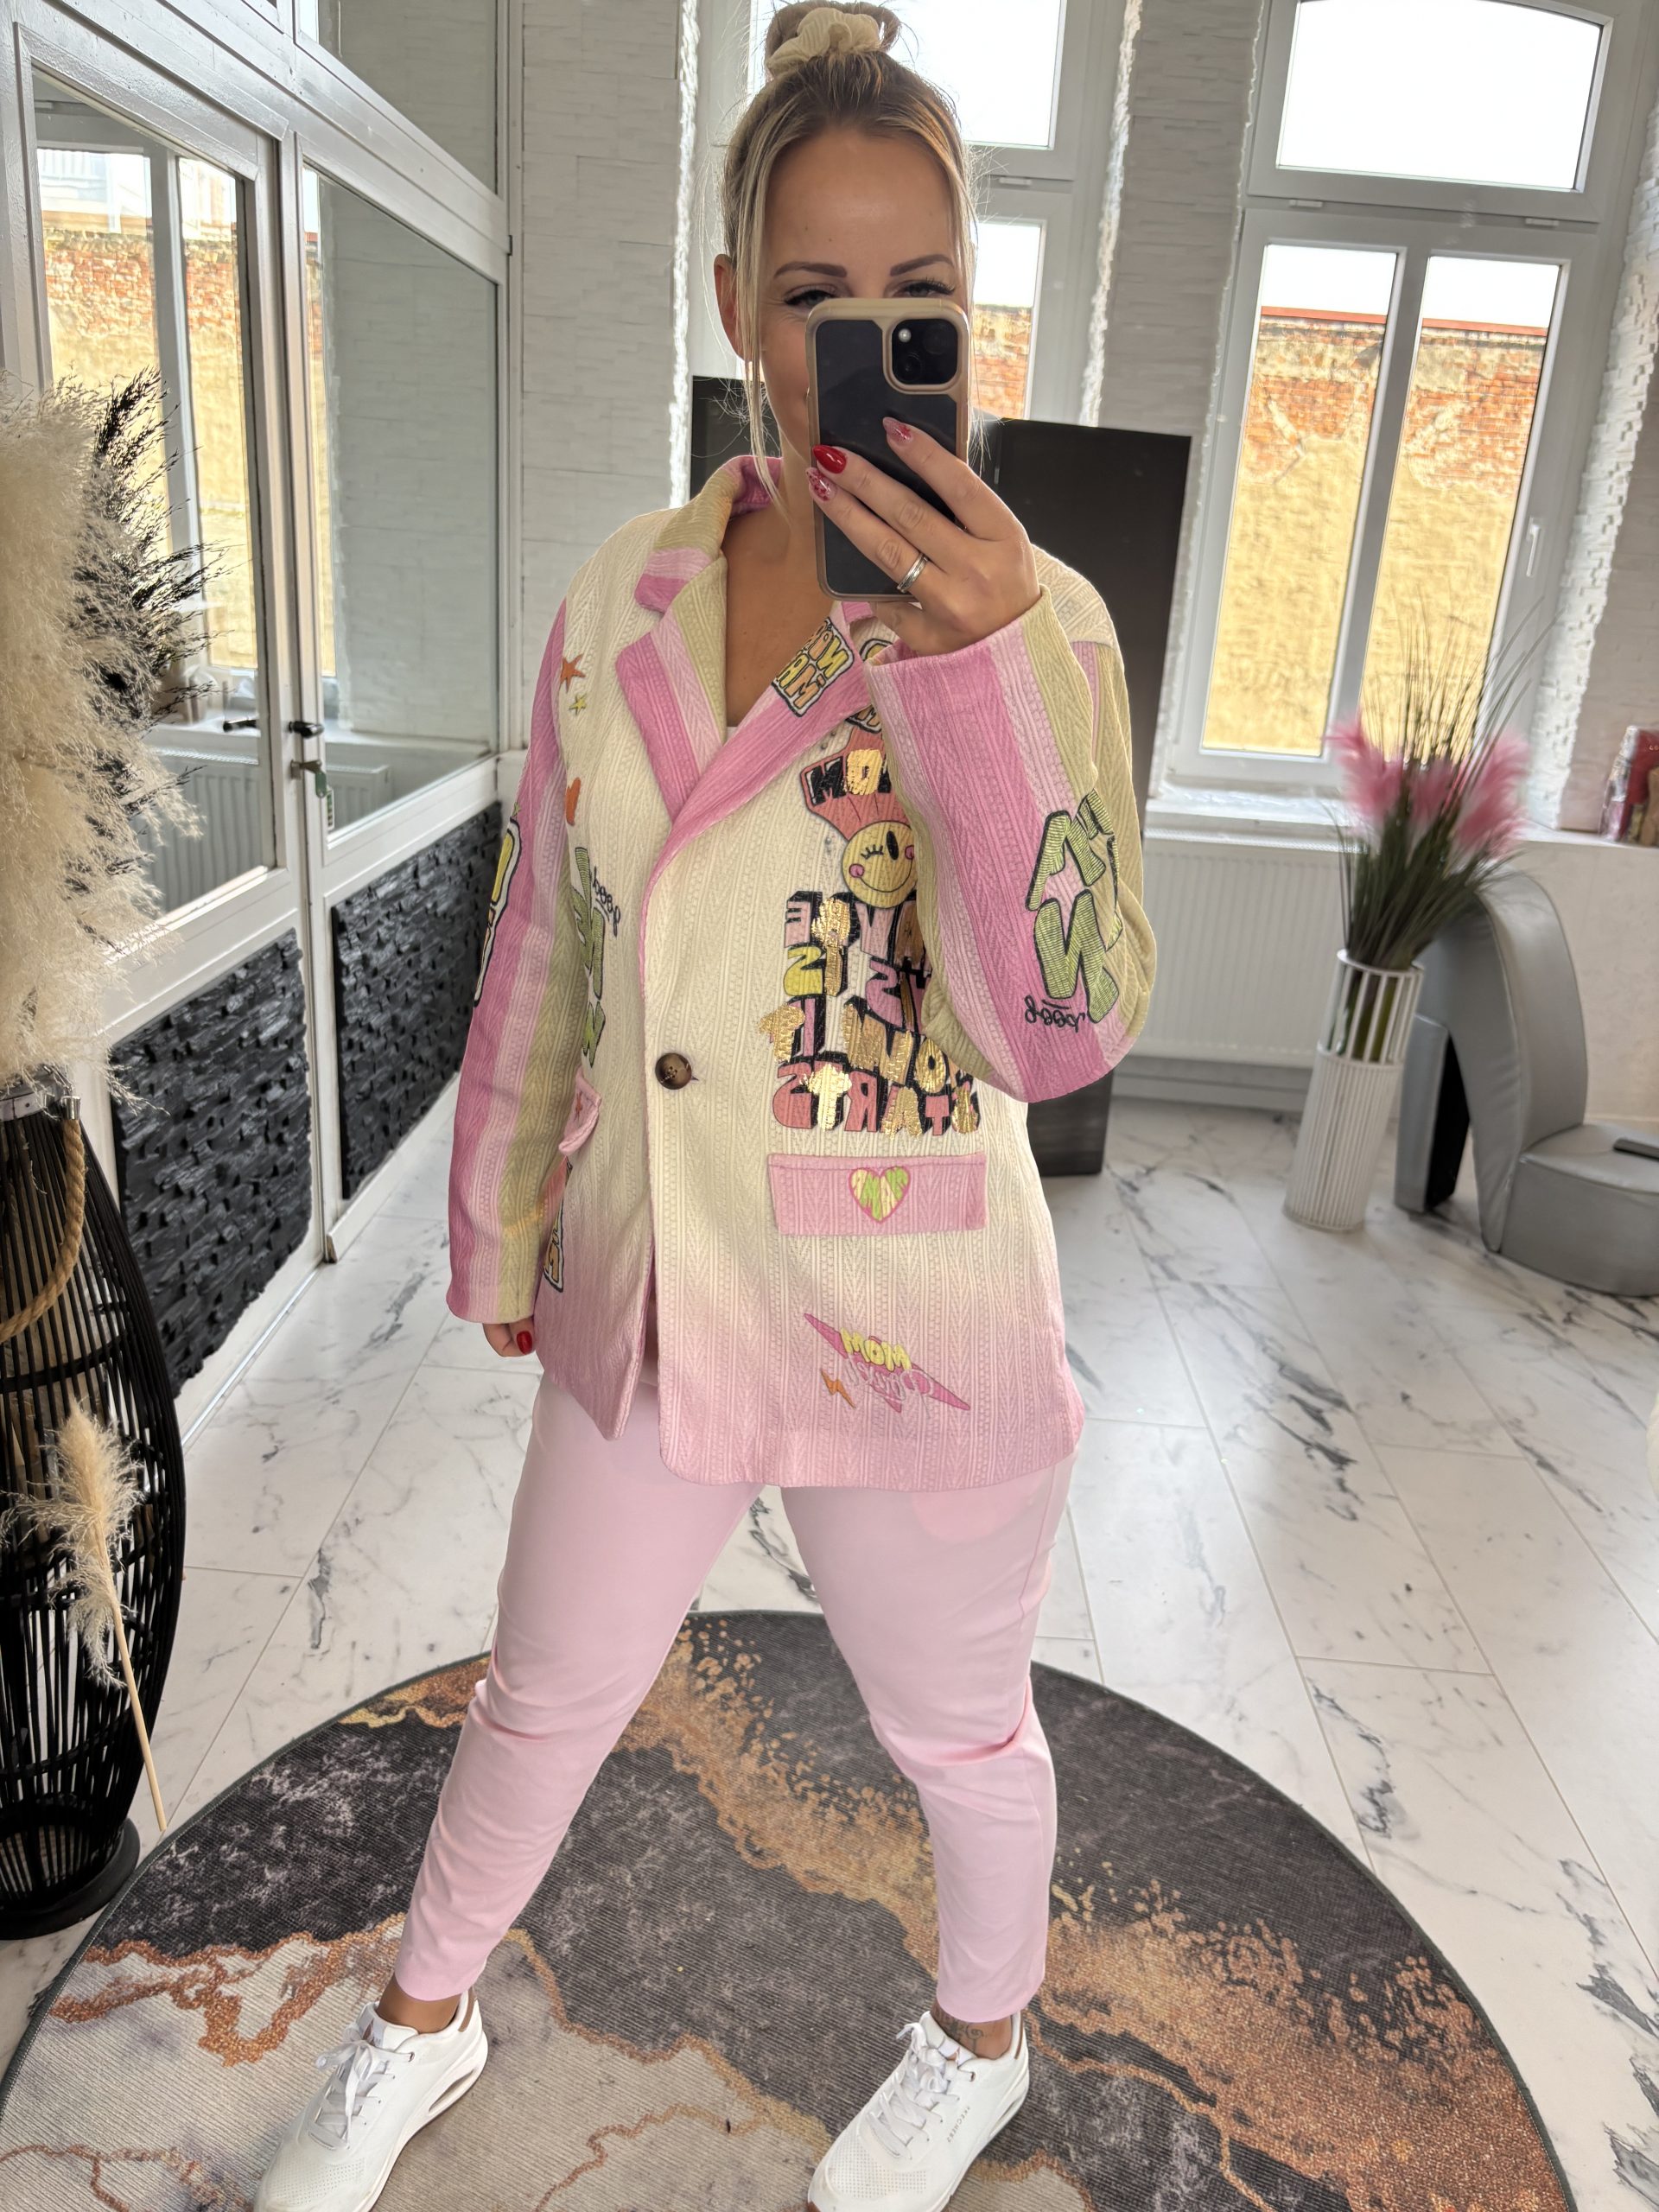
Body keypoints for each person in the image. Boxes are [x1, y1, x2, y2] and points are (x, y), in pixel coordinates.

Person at [254, 6, 1154, 2209]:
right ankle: (419, 2020)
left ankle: (978, 2042)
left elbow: (1063, 1029)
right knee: (545, 1684)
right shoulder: (620, 596)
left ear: (972, 310)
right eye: (820, 291)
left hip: (915, 1291)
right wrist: (498, 1218)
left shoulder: (1049, 627)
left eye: (917, 296)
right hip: (654, 1271)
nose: (868, 342)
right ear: (742, 304)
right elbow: (545, 940)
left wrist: (975, 679)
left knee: (956, 1728)